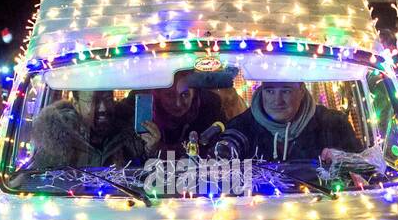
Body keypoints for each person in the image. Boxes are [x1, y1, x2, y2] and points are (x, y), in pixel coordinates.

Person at [223, 81, 361, 161]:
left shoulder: (335, 125)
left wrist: (345, 161)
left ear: (301, 90)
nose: (277, 101)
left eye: (286, 91)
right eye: (270, 91)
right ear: (261, 91)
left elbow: (368, 175)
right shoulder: (239, 128)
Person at [29, 90, 144, 169]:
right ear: (76, 104)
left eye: (108, 99)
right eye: (92, 101)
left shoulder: (130, 133)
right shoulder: (55, 141)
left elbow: (147, 179)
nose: (103, 108)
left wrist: (152, 149)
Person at [138, 69, 229, 157]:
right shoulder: (141, 111)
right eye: (169, 95)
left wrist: (160, 149)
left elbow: (218, 151)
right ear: (158, 94)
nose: (178, 103)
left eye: (185, 94)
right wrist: (150, 149)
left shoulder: (210, 110)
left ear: (194, 93)